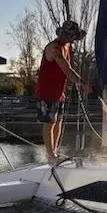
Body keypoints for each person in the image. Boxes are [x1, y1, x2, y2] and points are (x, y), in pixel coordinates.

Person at [35, 20, 89, 164]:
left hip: (59, 93)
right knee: (49, 122)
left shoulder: (66, 47)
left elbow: (66, 71)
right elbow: (67, 69)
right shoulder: (54, 48)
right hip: (46, 92)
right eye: (71, 37)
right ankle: (50, 155)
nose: (72, 40)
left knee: (58, 122)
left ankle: (55, 151)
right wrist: (82, 83)